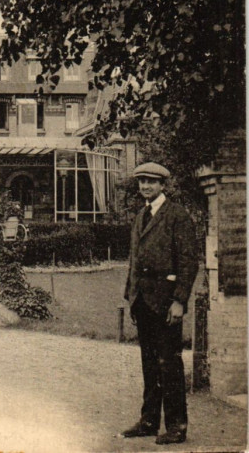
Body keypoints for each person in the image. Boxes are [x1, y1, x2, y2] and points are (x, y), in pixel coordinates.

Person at [121, 162, 198, 445]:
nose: (145, 186)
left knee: (169, 363)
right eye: (142, 181)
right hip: (143, 301)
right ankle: (149, 421)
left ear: (163, 185)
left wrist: (179, 301)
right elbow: (134, 259)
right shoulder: (141, 216)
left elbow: (188, 262)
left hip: (166, 303)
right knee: (149, 364)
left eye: (151, 182)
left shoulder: (177, 216)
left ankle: (176, 426)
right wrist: (131, 297)